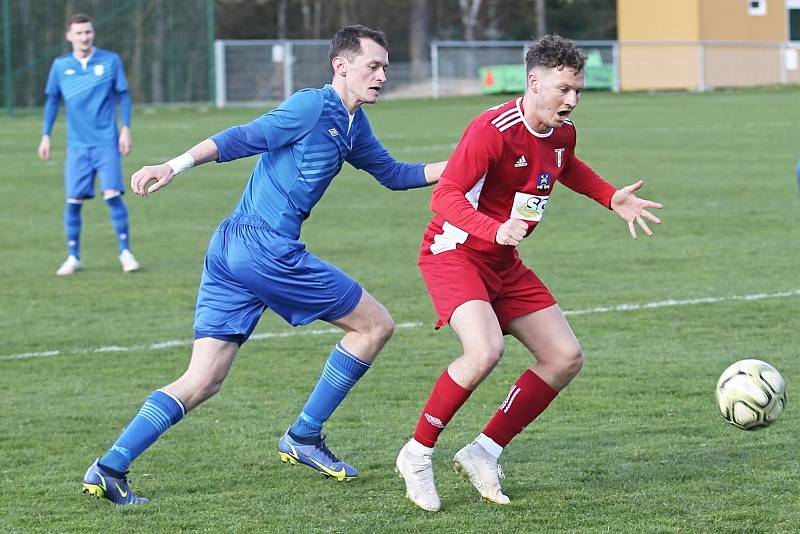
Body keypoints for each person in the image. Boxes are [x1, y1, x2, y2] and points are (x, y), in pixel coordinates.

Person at [80, 25, 446, 505]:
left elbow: (397, 175)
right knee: (374, 326)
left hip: (231, 248)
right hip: (263, 248)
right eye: (372, 66)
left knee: (204, 379)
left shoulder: (355, 125)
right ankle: (304, 435)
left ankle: (109, 467)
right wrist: (174, 165)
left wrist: (469, 160)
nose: (382, 76)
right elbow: (244, 137)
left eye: (385, 67)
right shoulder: (312, 105)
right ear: (341, 65)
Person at [395, 35, 663, 512]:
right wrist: (492, 230)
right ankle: (417, 454)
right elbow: (445, 195)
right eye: (563, 89)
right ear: (534, 82)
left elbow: (567, 166)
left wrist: (610, 197)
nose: (572, 100)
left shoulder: (563, 132)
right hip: (454, 252)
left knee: (564, 357)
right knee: (484, 350)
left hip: (504, 262)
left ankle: (484, 450)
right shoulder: (491, 129)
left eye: (577, 90)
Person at [38, 13, 140, 276]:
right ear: (69, 36)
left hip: (106, 142)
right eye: (79, 33)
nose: (84, 37)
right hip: (77, 146)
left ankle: (125, 252)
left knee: (113, 196)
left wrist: (126, 128)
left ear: (93, 34)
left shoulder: (109, 61)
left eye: (88, 32)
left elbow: (124, 96)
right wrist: (46, 135)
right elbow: (52, 101)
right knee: (73, 202)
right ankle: (73, 257)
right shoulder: (61, 66)